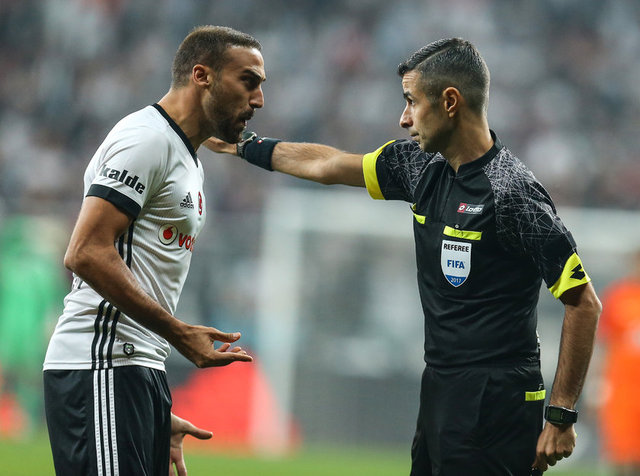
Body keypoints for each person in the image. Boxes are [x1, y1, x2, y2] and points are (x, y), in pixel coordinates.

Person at [206, 38, 602, 475]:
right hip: (439, 386)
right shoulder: (418, 166)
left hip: (499, 398)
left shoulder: (513, 194)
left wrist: (561, 415)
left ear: (450, 101)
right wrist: (245, 146)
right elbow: (328, 164)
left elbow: (584, 303)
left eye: (412, 101)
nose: (404, 118)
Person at [43, 25, 266, 476]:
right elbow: (85, 251)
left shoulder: (188, 158)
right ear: (202, 75)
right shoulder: (147, 139)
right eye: (248, 81)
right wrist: (178, 333)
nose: (258, 100)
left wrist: (152, 409)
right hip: (102, 362)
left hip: (135, 369)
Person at [597, 249, 640, 475]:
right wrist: (598, 384)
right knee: (619, 449)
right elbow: (604, 343)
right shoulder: (618, 297)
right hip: (622, 388)